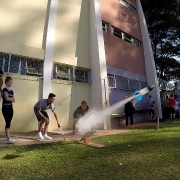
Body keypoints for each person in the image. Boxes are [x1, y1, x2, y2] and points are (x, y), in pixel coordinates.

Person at [2, 76, 15, 143]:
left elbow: (14, 99)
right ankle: (8, 138)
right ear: (6, 82)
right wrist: (10, 99)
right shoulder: (4, 90)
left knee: (8, 122)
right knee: (7, 122)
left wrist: (10, 99)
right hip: (5, 108)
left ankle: (7, 137)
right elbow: (7, 99)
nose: (11, 83)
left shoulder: (11, 91)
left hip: (10, 108)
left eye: (11, 82)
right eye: (10, 82)